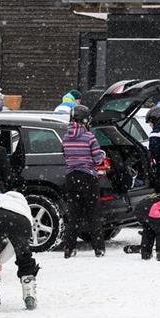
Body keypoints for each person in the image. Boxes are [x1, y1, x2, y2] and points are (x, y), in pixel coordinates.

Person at [0, 191, 39, 312]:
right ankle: (30, 295)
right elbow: (13, 247)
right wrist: (0, 261)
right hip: (23, 221)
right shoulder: (23, 205)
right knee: (24, 256)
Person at [61, 104, 105, 259]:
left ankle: (68, 248)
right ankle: (98, 248)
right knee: (93, 214)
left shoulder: (65, 137)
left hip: (71, 177)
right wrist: (100, 156)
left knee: (73, 214)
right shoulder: (89, 137)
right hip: (88, 177)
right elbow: (98, 159)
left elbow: (65, 157)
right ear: (85, 120)